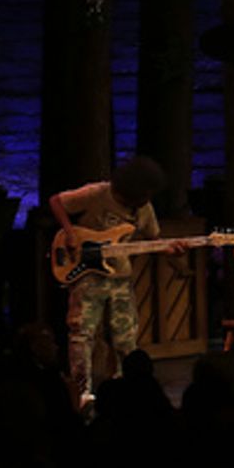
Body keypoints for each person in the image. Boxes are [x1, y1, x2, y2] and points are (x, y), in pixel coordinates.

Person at [50, 155, 183, 410]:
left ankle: (126, 394)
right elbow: (56, 201)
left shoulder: (144, 209)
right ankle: (82, 393)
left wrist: (171, 251)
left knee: (126, 339)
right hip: (87, 276)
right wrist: (68, 232)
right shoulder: (98, 193)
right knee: (82, 334)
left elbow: (153, 238)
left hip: (120, 278)